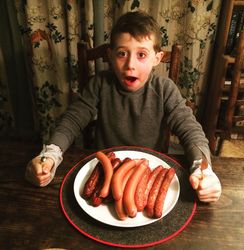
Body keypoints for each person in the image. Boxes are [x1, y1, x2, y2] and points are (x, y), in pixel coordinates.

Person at [25, 11, 221, 202]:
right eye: (122, 53)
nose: (130, 65)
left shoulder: (165, 89)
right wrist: (49, 156)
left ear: (157, 58)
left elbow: (190, 130)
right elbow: (72, 120)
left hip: (150, 173)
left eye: (141, 55)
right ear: (110, 55)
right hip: (104, 170)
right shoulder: (99, 84)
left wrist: (202, 169)